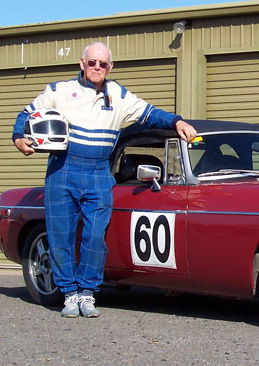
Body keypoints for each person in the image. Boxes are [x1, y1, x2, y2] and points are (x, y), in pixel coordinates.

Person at [12, 42, 197, 318]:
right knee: (60, 235)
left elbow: (150, 114)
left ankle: (87, 293)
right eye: (92, 62)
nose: (97, 67)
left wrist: (177, 122)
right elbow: (25, 114)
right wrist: (18, 137)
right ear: (81, 63)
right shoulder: (59, 91)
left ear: (110, 67)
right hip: (63, 170)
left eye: (103, 64)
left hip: (99, 172)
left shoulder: (119, 95)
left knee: (95, 237)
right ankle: (69, 294)